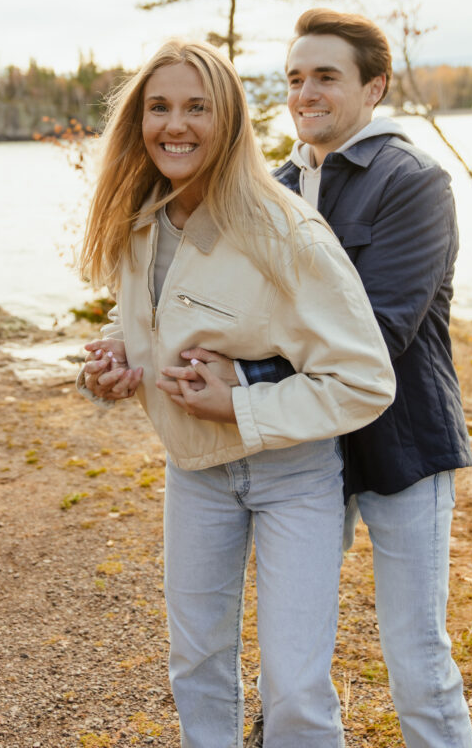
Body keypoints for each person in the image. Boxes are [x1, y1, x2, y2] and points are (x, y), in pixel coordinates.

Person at [168, 11, 472, 748]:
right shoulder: (269, 186)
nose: (305, 92)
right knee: (294, 654)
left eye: (325, 77)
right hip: (302, 447)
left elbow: (378, 327)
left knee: (413, 652)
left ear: (373, 87)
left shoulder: (413, 184)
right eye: (294, 77)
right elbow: (225, 302)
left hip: (400, 448)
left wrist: (242, 375)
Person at [76, 38, 395, 748]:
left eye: (197, 108)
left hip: (292, 477)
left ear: (230, 122)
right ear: (138, 122)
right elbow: (153, 335)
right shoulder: (138, 224)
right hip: (193, 474)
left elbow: (364, 380)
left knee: (295, 689)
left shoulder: (286, 231)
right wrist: (111, 372)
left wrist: (240, 401)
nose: (174, 125)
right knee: (196, 664)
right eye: (158, 107)